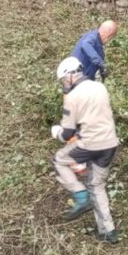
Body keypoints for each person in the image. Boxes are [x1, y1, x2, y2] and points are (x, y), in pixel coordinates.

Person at [51, 57, 120, 243]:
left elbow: (67, 134)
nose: (64, 84)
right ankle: (108, 231)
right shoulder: (100, 87)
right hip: (110, 143)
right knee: (97, 185)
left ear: (70, 75)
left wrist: (56, 132)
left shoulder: (72, 98)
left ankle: (80, 196)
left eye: (64, 80)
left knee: (59, 161)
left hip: (90, 144)